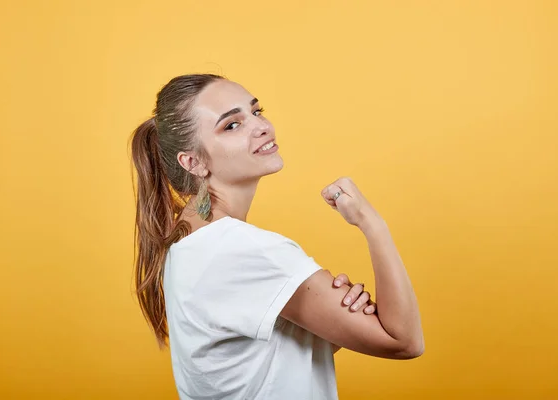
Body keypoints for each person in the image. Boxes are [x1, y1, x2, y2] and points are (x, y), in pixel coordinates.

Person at [129, 73, 424, 399]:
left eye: (256, 111)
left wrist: (330, 318)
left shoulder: (187, 239)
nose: (261, 126)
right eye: (232, 125)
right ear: (193, 162)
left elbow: (258, 364)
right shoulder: (243, 250)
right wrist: (372, 223)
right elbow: (404, 341)